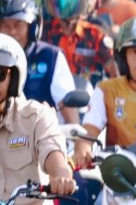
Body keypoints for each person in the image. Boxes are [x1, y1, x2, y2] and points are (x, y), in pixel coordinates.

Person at [73, 16, 136, 169]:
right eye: (134, 52)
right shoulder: (106, 90)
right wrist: (83, 149)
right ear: (123, 56)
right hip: (118, 178)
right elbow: (88, 134)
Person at [0, 34, 76, 199]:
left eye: (0, 75)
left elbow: (52, 150)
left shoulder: (36, 117)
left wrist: (61, 175)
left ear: (14, 79)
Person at [0, 0, 78, 123]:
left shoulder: (51, 56)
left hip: (42, 136)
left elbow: (72, 119)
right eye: (5, 25)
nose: (12, 31)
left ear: (32, 28)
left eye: (18, 24)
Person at [42, 0, 118, 85]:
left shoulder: (95, 35)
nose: (67, 5)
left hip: (89, 97)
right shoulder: (42, 33)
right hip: (47, 98)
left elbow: (115, 74)